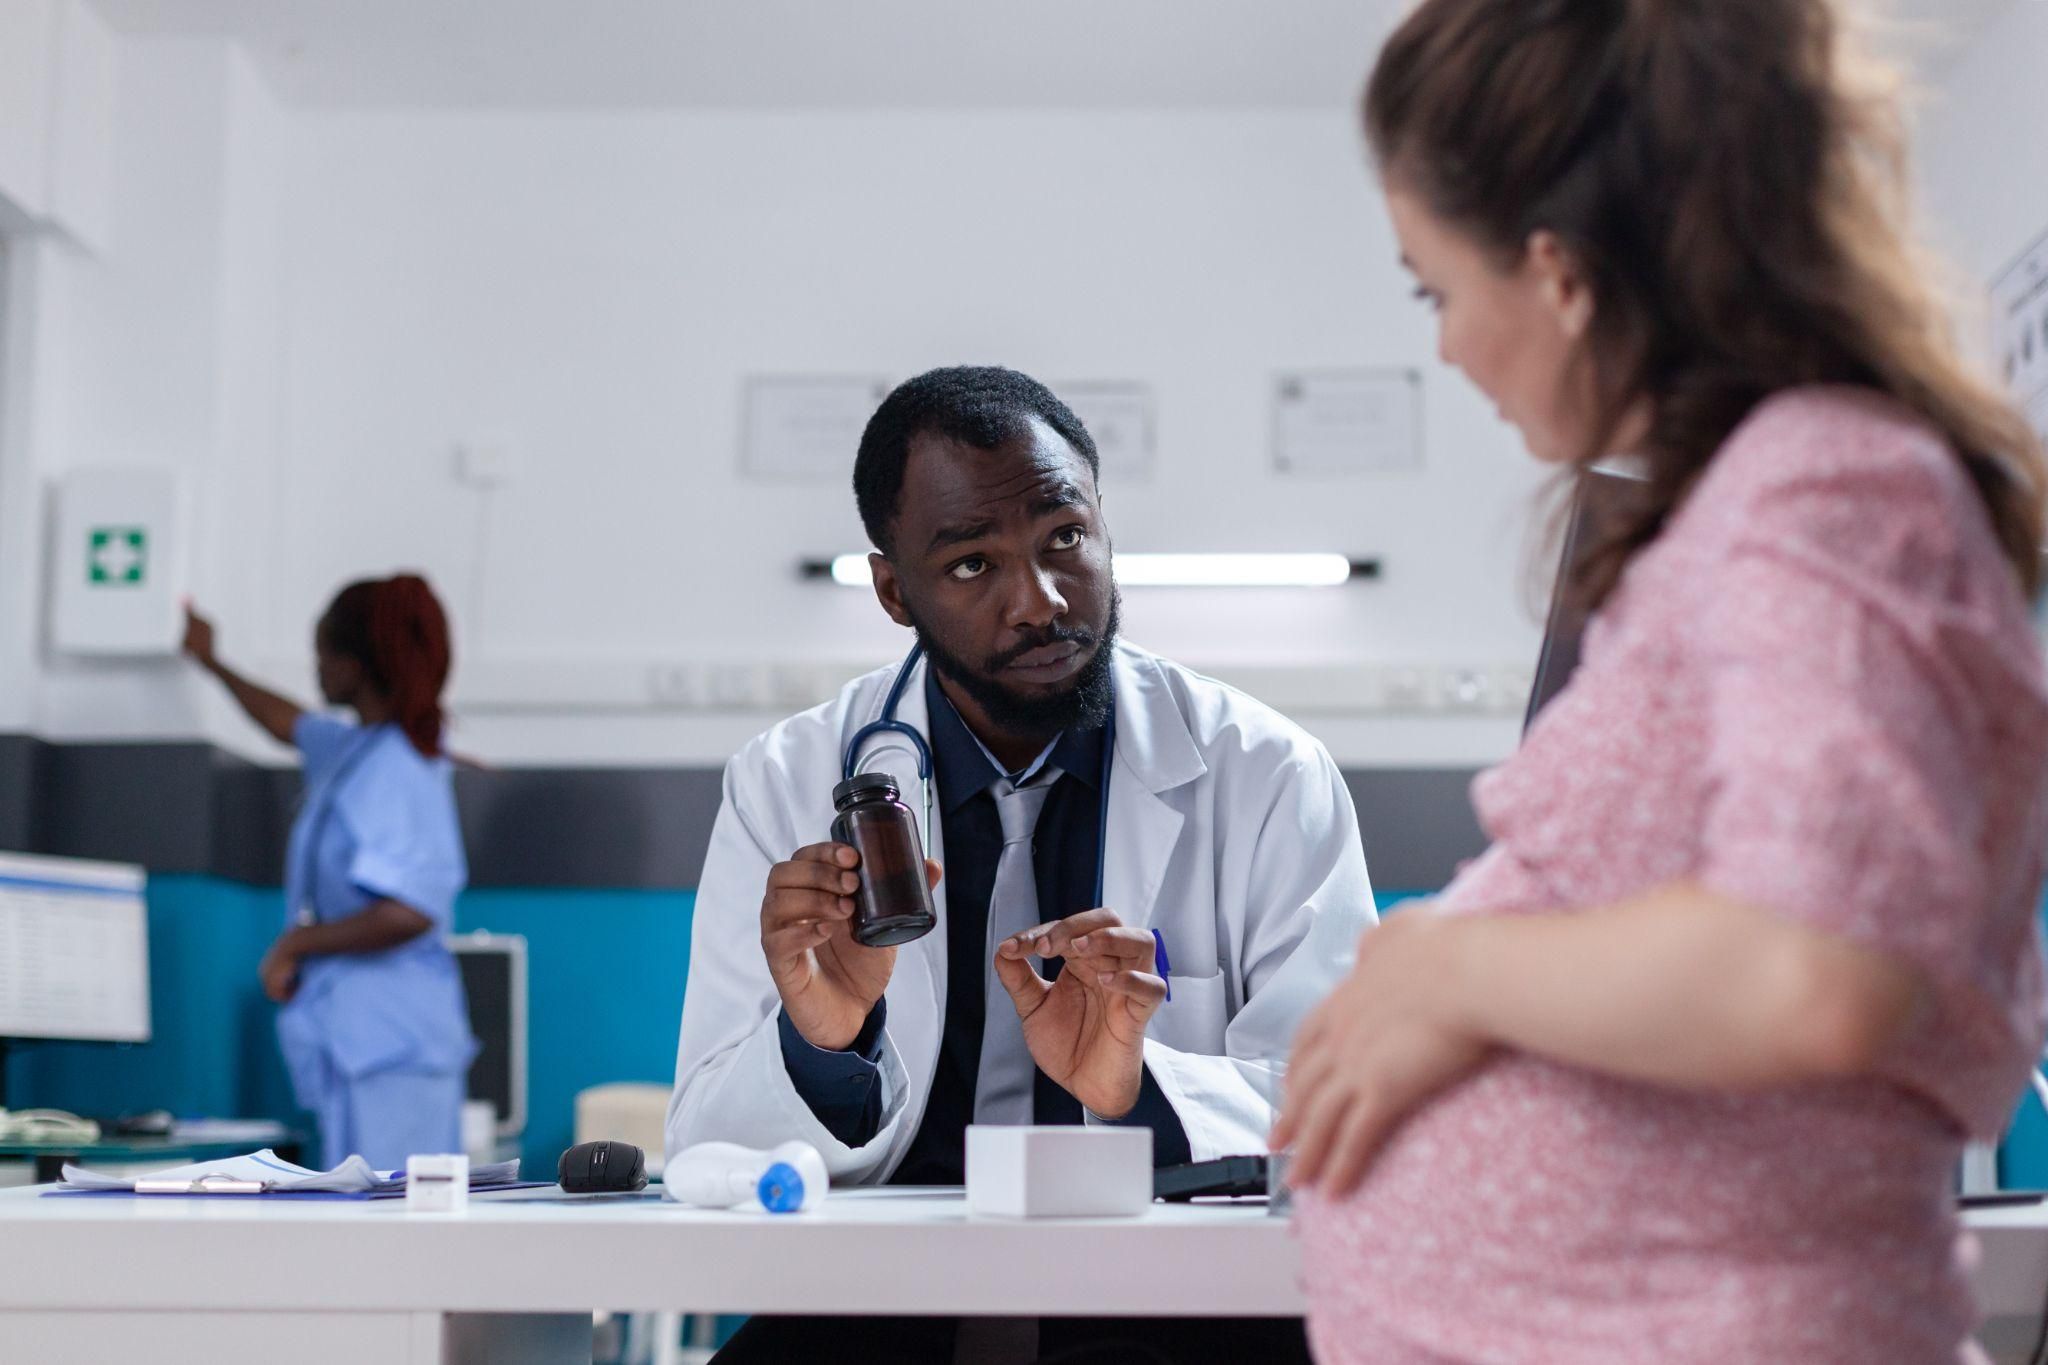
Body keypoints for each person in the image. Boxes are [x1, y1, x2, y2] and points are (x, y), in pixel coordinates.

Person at [1274, 2, 2048, 1361]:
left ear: (1559, 271)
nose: (1447, 346)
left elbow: (1818, 965)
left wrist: (1446, 970)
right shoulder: (1746, 512)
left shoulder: (1823, 482)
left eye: (1437, 289)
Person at [670, 365, 1376, 1362]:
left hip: (1166, 1307)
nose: (1039, 603)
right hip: (880, 1312)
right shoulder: (784, 784)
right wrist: (821, 1050)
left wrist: (1143, 1088)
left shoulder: (1263, 774)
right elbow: (705, 1150)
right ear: (891, 590)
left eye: (1063, 540)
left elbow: (1354, 1109)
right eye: (970, 566)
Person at [183, 576, 475, 1171]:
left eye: (323, 651)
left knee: (387, 1240)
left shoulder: (394, 767)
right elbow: (283, 720)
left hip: (392, 1051)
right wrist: (212, 662)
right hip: (370, 1045)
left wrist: (296, 942)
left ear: (359, 663)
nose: (315, 666)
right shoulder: (356, 750)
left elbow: (412, 910)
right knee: (361, 1228)